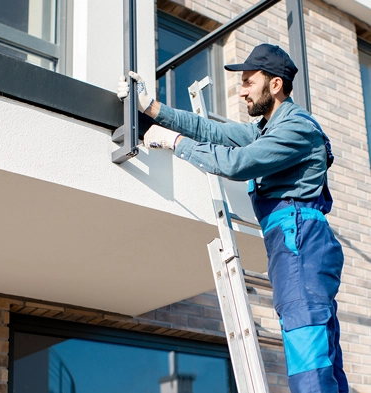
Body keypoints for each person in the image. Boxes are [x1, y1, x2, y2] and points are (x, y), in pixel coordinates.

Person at [118, 44, 348, 393]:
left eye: (247, 82)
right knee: (320, 348)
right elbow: (213, 132)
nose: (240, 91)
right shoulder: (266, 130)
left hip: (300, 239)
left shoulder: (297, 129)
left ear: (274, 85)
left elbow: (234, 164)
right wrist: (153, 109)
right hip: (295, 239)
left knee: (308, 346)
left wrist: (173, 142)